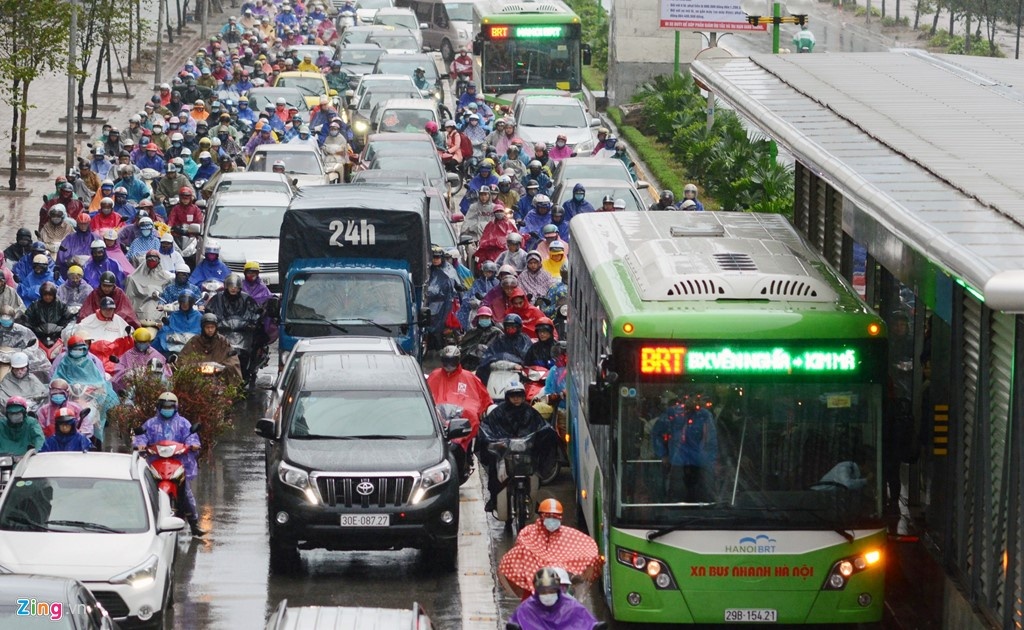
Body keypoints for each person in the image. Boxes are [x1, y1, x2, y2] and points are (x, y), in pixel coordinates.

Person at [133, 392, 205, 536]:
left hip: (178, 463)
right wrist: (140, 444)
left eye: (170, 406)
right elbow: (141, 436)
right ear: (159, 407)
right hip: (155, 463)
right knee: (146, 490)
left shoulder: (183, 423)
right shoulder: (151, 423)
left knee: (186, 493)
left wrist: (193, 444)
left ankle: (194, 524)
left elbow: (191, 437)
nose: (167, 409)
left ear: (175, 407)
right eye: (164, 406)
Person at [478, 382, 549, 511]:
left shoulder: (531, 412)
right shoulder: (498, 413)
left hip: (525, 453)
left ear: (523, 396)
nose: (516, 399)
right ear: (507, 397)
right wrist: (493, 441)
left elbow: (542, 427)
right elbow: (486, 427)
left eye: (519, 395)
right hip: (504, 453)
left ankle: (532, 496)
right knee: (494, 473)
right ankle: (494, 500)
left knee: (535, 471)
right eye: (513, 396)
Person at [651, 391, 718, 503]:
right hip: (678, 464)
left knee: (705, 501)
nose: (690, 401)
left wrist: (711, 460)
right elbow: (656, 433)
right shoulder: (672, 413)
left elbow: (711, 440)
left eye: (694, 398)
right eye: (688, 397)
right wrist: (663, 454)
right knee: (677, 500)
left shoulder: (704, 415)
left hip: (700, 464)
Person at [427, 345, 490, 453]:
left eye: (452, 361)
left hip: (461, 421)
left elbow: (484, 399)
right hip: (436, 420)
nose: (449, 365)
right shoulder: (434, 375)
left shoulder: (469, 377)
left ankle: (467, 454)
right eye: (446, 361)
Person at [508, 567, 599, 629]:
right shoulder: (525, 610)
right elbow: (514, 624)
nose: (547, 595)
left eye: (551, 591)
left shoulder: (573, 607)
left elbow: (588, 623)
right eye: (543, 592)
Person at [181, 313, 243, 385]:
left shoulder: (223, 341)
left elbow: (232, 358)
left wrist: (225, 366)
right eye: (207, 327)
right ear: (203, 328)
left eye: (212, 327)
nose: (210, 330)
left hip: (219, 377)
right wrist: (191, 366)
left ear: (216, 327)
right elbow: (183, 357)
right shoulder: (194, 341)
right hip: (197, 377)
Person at [477, 313, 532, 386]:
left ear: (518, 328)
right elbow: (488, 355)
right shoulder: (500, 339)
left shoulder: (524, 340)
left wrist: (519, 364)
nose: (510, 330)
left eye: (513, 327)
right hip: (498, 370)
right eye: (508, 327)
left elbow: (527, 358)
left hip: (518, 372)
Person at [113, 328, 172, 393]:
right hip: (132, 389)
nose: (142, 345)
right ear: (135, 341)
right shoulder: (127, 355)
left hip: (153, 389)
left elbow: (166, 375)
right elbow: (118, 372)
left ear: (149, 341)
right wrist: (129, 375)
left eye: (144, 342)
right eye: (139, 342)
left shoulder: (156, 355)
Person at [124, 250, 172, 323]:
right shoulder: (132, 278)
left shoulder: (166, 278)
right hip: (139, 306)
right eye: (149, 259)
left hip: (157, 306)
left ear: (159, 261)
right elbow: (129, 296)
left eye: (154, 259)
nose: (152, 260)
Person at [155, 291, 202, 356]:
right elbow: (168, 328)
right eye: (183, 302)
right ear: (180, 302)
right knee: (160, 337)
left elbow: (201, 331)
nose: (184, 305)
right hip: (176, 340)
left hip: (192, 342)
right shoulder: (174, 315)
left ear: (191, 304)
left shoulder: (198, 316)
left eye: (187, 303)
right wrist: (165, 330)